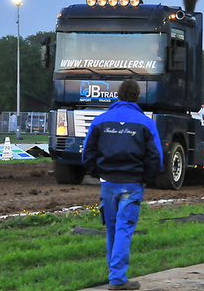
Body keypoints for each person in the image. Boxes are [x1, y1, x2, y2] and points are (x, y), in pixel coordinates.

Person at [82, 79, 163, 290]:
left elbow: (87, 153)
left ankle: (114, 274)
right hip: (133, 184)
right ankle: (117, 279)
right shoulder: (146, 122)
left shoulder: (100, 120)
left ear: (117, 96)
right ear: (137, 97)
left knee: (112, 230)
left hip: (107, 183)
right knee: (124, 229)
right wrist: (147, 178)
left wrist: (97, 173)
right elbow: (156, 157)